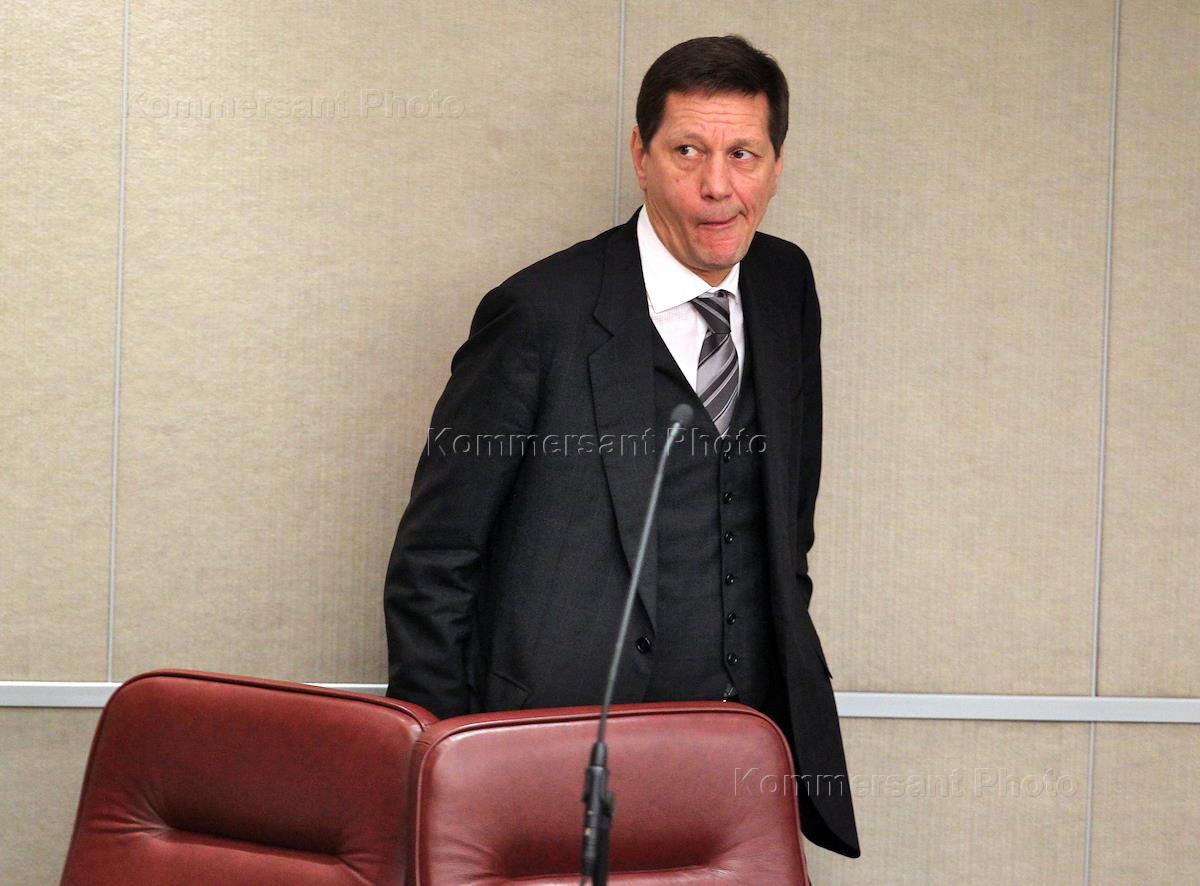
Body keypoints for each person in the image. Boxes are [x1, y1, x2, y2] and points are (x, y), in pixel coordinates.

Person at [384, 35, 859, 859]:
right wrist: (451, 772)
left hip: (746, 757)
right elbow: (434, 561)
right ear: (642, 156)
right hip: (556, 753)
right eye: (688, 151)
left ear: (777, 165)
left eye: (743, 154)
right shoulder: (538, 315)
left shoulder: (786, 286)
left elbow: (790, 520)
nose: (718, 186)